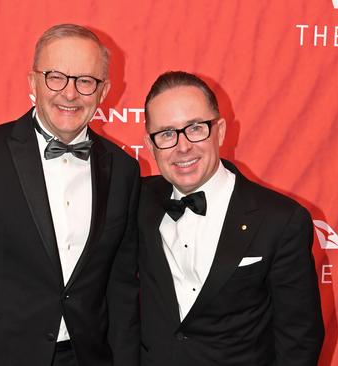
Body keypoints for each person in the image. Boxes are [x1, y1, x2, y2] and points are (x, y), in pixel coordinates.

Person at [0, 24, 140, 366]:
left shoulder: (123, 170)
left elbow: (122, 292)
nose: (70, 94)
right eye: (55, 77)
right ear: (33, 83)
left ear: (104, 91)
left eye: (85, 81)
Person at [138, 71, 324, 366]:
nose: (182, 146)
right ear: (150, 146)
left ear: (220, 131)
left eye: (195, 128)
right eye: (166, 134)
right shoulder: (136, 202)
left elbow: (299, 338)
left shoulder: (280, 220)